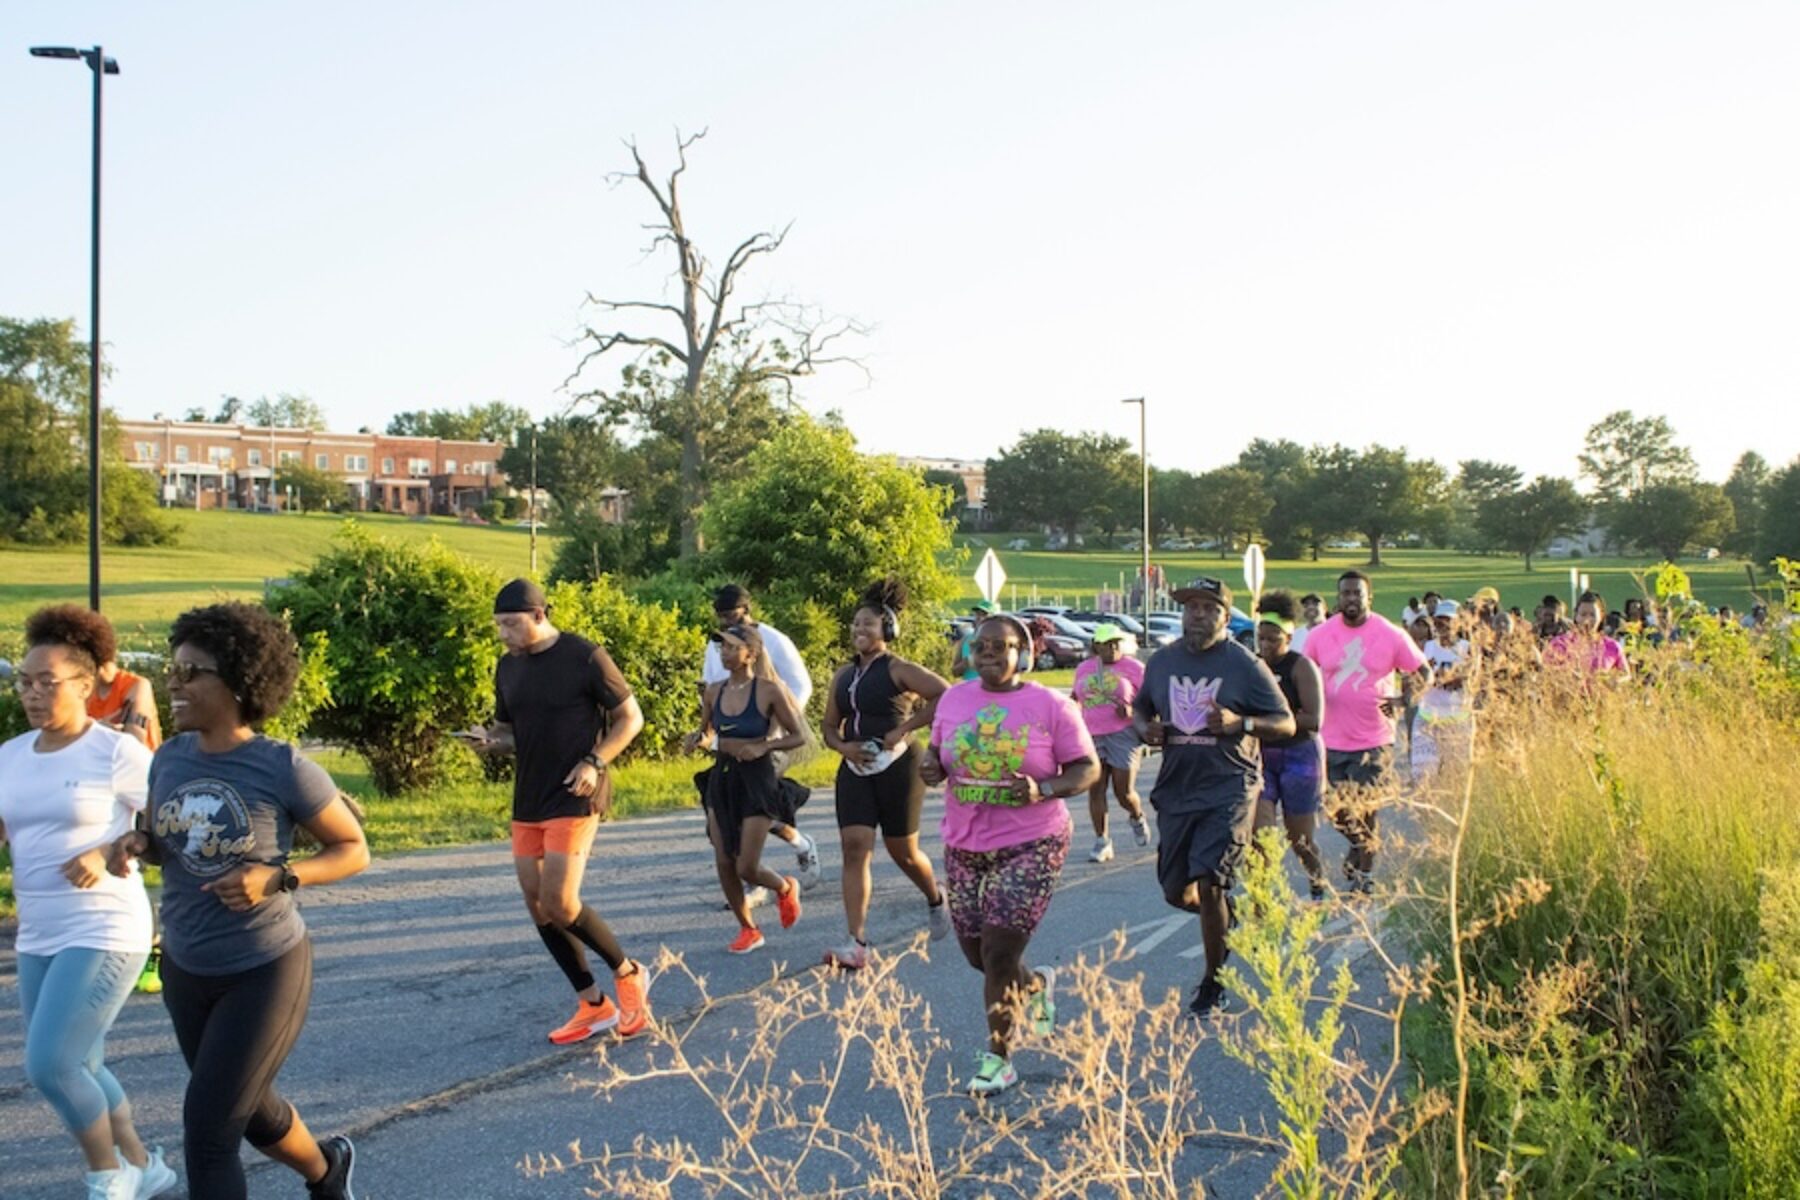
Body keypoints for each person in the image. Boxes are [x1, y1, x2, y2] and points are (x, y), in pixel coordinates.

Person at [106, 602, 367, 1200]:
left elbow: (353, 849)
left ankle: (325, 1172)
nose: (173, 682)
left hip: (263, 969)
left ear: (238, 682)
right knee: (246, 1110)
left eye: (191, 671)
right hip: (186, 967)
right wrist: (138, 842)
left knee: (208, 1132)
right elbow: (167, 842)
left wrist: (278, 878)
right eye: (173, 669)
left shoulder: (281, 766)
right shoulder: (170, 757)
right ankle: (327, 1171)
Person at [1, 607, 176, 1200]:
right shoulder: (10, 756)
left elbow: (169, 824)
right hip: (40, 932)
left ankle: (109, 1178)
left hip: (106, 926)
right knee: (85, 1064)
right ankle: (142, 1164)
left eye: (46, 681)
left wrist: (112, 846)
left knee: (50, 1065)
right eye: (24, 681)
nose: (31, 692)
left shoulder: (115, 753)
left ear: (86, 684)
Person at [464, 579, 652, 1046]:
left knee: (561, 903)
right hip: (529, 796)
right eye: (499, 626)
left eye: (511, 624)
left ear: (539, 616)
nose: (504, 634)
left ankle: (628, 974)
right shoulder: (508, 667)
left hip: (576, 791)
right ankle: (593, 1005)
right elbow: (509, 732)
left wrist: (595, 761)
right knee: (537, 904)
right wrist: (489, 742)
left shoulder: (584, 656)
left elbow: (632, 718)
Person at [919, 614, 1098, 1095]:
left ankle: (999, 1058)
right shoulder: (954, 699)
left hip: (1033, 841)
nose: (990, 653)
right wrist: (930, 765)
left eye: (1001, 645)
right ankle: (1035, 984)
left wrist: (1043, 788)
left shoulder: (1050, 704)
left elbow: (1086, 769)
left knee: (999, 952)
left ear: (1024, 652)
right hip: (964, 842)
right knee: (979, 955)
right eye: (981, 646)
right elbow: (937, 752)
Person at [1134, 577, 1295, 1016]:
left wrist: (1240, 723)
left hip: (1229, 787)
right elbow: (1141, 706)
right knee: (1174, 891)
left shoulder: (1245, 666)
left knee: (1210, 882)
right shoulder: (1163, 661)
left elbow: (1286, 725)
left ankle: (1212, 983)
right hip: (1176, 787)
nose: (1197, 615)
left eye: (1208, 608)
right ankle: (1226, 919)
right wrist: (1144, 728)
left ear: (1226, 616)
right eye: (1191, 607)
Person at [819, 579, 951, 970]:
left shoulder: (898, 669)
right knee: (855, 848)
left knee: (903, 852)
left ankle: (935, 896)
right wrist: (844, 747)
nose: (859, 630)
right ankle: (855, 942)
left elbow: (945, 694)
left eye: (869, 625)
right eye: (855, 624)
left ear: (888, 630)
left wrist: (904, 728)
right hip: (855, 769)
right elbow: (828, 726)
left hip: (899, 766)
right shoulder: (843, 676)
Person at [56, 613, 166, 995]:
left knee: (135, 858)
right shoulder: (85, 692)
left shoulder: (136, 686)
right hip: (97, 779)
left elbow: (134, 736)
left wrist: (97, 729)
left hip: (140, 779)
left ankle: (150, 948)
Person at [1301, 571, 1431, 895]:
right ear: (1338, 597)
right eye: (1345, 593)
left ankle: (1365, 877)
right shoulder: (1321, 635)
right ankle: (1359, 848)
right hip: (1330, 739)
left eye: (1357, 593)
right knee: (1337, 812)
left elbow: (1423, 671)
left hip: (1374, 739)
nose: (1351, 599)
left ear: (1368, 597)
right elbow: (1300, 672)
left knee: (1367, 808)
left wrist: (1405, 699)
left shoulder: (1389, 633)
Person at [687, 623, 811, 953]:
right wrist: (697, 740)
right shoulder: (713, 690)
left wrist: (763, 748)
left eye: (730, 647)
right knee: (724, 859)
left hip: (757, 780)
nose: (723, 653)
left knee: (746, 866)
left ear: (750, 654)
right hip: (723, 777)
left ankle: (784, 887)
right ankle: (748, 929)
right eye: (721, 647)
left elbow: (797, 735)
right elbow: (709, 732)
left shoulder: (769, 690)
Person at [701, 584, 820, 896]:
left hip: (771, 737)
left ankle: (753, 878)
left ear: (747, 609)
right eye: (721, 616)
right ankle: (796, 841)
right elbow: (710, 687)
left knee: (750, 804)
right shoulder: (718, 646)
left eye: (732, 614)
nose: (727, 621)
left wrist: (773, 721)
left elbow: (801, 684)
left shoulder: (774, 639)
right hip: (732, 740)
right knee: (738, 810)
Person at [1251, 592, 1326, 901]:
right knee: (1262, 836)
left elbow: (1314, 719)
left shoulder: (1301, 667)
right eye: (1261, 638)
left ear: (1289, 636)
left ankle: (1317, 880)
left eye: (1273, 639)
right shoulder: (1253, 666)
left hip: (1300, 757)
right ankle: (1264, 898)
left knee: (1299, 839)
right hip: (1263, 758)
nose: (1266, 645)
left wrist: (1275, 720)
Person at [1070, 622, 1150, 862]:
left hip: (1123, 734)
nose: (1113, 648)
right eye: (1107, 645)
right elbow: (1076, 697)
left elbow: (1149, 700)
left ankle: (1136, 816)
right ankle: (1102, 840)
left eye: (1116, 643)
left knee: (1123, 791)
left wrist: (1133, 711)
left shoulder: (1134, 668)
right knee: (1096, 788)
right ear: (1097, 647)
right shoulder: (1085, 668)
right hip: (1092, 733)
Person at [1415, 601, 1475, 774]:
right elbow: (1417, 677)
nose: (1444, 624)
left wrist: (1440, 677)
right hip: (1428, 719)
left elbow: (1466, 677)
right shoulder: (1426, 648)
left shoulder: (1467, 649)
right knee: (1424, 775)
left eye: (1449, 620)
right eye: (1440, 620)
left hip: (1457, 720)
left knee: (1456, 775)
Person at [1545, 591, 1631, 681]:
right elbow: (1546, 671)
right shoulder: (1560, 643)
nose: (1587, 620)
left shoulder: (1612, 646)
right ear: (1576, 616)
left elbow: (1625, 674)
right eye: (1583, 614)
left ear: (1601, 616)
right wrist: (1566, 674)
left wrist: (1614, 681)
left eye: (1592, 615)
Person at [950, 599, 1001, 680]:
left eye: (984, 614)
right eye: (978, 614)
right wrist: (966, 663)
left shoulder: (1001, 642)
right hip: (969, 691)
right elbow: (954, 672)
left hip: (992, 691)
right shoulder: (966, 639)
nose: (980, 617)